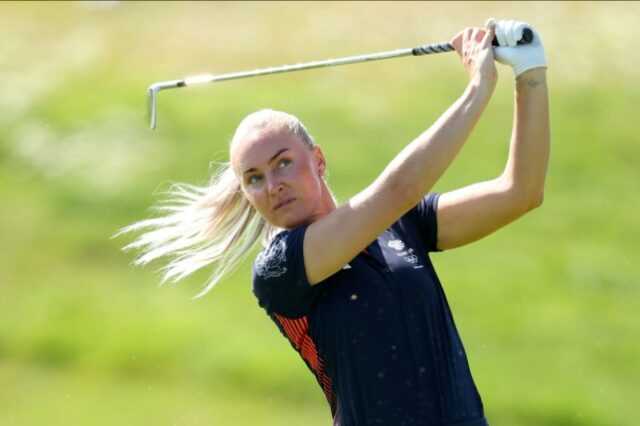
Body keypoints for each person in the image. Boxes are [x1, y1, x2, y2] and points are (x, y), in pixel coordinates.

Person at [121, 19, 549, 426]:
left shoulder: (402, 225)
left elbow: (520, 192)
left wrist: (530, 73)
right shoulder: (280, 268)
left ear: (319, 160)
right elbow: (399, 189)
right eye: (254, 179)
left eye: (283, 163)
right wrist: (477, 87)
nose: (272, 185)